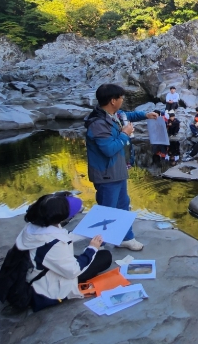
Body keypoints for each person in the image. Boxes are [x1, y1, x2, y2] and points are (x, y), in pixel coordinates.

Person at [84, 84, 158, 251]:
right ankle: (97, 246)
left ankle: (126, 238)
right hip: (106, 174)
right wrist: (125, 134)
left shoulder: (114, 115)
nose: (122, 100)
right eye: (121, 98)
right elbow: (109, 149)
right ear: (113, 101)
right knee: (106, 211)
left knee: (123, 205)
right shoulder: (98, 124)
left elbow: (128, 115)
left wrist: (145, 115)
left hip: (117, 170)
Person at [15, 193, 112, 312]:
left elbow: (63, 236)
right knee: (105, 257)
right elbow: (73, 271)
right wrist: (92, 248)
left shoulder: (33, 226)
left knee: (91, 256)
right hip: (46, 287)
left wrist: (86, 233)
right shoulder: (53, 244)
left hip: (37, 270)